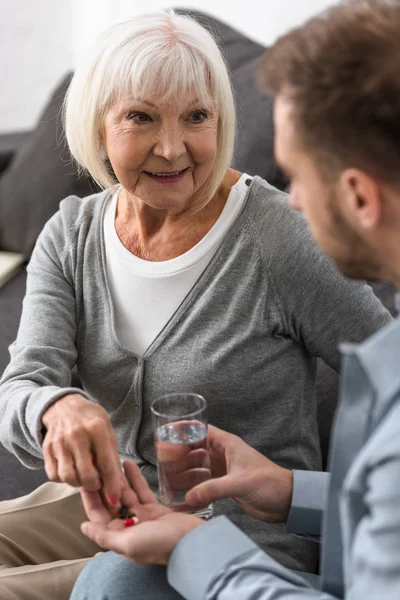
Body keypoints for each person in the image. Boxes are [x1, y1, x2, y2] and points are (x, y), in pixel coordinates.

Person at [0, 7, 391, 600]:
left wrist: (298, 490)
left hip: (242, 535)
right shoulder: (72, 233)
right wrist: (54, 408)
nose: (172, 146)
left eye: (196, 117)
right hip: (112, 502)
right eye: (140, 117)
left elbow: (389, 372)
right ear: (98, 125)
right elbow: (22, 387)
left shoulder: (277, 235)